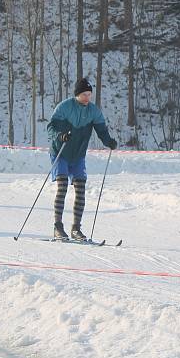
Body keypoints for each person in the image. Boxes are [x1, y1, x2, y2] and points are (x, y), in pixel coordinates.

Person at [46, 78, 117, 240]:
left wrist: (109, 142)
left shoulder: (93, 111)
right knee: (62, 186)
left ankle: (76, 228)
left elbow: (102, 131)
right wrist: (59, 136)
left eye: (89, 94)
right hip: (60, 151)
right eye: (84, 94)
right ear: (77, 94)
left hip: (78, 155)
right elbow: (51, 127)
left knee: (80, 189)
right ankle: (58, 227)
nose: (87, 98)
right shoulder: (64, 107)